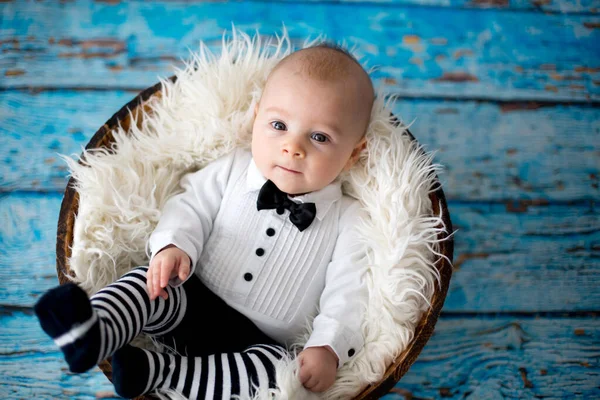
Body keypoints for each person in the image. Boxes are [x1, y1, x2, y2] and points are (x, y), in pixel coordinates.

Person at [34, 42, 375, 400]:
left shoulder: (349, 219)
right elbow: (190, 205)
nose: (293, 147)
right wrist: (174, 244)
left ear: (353, 153)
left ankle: (154, 372)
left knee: (280, 375)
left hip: (255, 347)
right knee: (148, 284)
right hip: (187, 295)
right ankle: (94, 330)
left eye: (319, 137)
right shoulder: (233, 168)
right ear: (257, 117)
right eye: (278, 125)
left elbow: (349, 293)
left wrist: (328, 347)